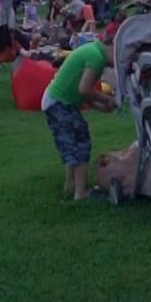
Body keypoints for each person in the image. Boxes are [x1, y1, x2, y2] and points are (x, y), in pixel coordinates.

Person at [40, 37, 116, 201]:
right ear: (112, 47)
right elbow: (84, 89)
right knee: (81, 142)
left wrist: (101, 107)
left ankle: (71, 185)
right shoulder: (96, 58)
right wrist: (107, 100)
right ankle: (81, 193)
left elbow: (78, 87)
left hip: (54, 100)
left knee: (70, 144)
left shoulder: (91, 50)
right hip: (59, 102)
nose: (115, 64)